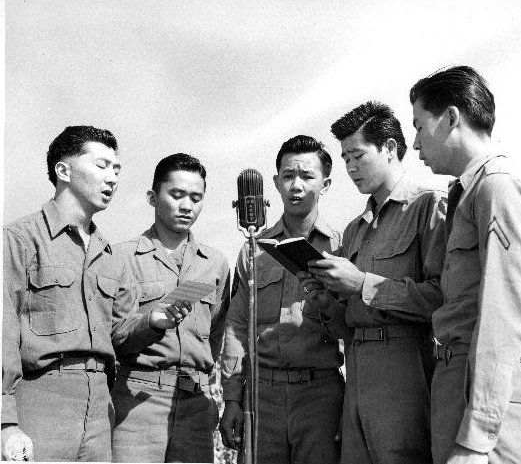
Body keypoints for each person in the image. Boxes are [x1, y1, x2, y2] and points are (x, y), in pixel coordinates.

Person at [410, 65, 521, 464]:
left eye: (420, 126)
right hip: (462, 389)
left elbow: (502, 317)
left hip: (492, 408)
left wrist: (477, 438)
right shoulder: (471, 190)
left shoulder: (499, 184)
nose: (415, 143)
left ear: (452, 118)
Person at [301, 102, 447, 464]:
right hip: (357, 373)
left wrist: (363, 282)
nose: (350, 168)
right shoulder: (355, 229)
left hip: (406, 373)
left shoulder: (428, 207)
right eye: (345, 158)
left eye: (358, 156)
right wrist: (326, 304)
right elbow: (347, 323)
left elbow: (443, 299)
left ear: (390, 149)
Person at [2, 125, 131, 461]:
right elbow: (3, 333)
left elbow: (117, 335)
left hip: (100, 408)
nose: (112, 178)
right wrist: (6, 423)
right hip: (40, 399)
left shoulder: (109, 254)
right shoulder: (19, 239)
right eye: (102, 166)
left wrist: (155, 323)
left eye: (117, 169)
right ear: (64, 170)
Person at [219, 135, 345, 464]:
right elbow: (236, 325)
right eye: (288, 176)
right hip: (262, 398)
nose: (296, 186)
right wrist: (232, 398)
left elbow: (352, 325)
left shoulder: (342, 246)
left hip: (321, 396)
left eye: (307, 176)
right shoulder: (254, 249)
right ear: (275, 182)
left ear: (326, 184)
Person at [110, 153, 230, 463]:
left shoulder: (214, 264)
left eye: (196, 197)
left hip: (196, 406)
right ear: (152, 197)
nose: (186, 205)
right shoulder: (121, 258)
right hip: (137, 401)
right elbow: (112, 336)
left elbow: (215, 335)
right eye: (176, 195)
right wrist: (151, 322)